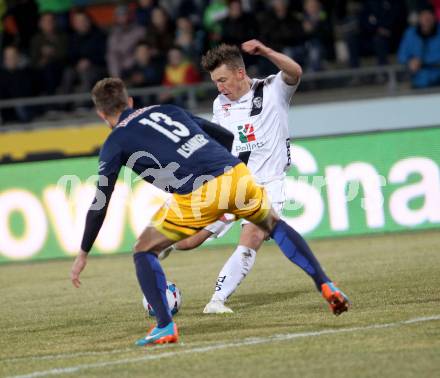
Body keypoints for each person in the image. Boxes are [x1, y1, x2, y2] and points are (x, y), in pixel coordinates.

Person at [70, 78, 350, 346]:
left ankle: (165, 326)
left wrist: (84, 251)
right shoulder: (167, 110)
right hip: (235, 172)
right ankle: (326, 284)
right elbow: (225, 136)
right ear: (129, 100)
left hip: (197, 191)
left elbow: (100, 202)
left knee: (144, 249)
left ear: (101, 114)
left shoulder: (115, 142)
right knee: (273, 225)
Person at [165, 39, 324, 315]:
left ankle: (217, 300)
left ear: (240, 72)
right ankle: (166, 245)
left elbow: (295, 72)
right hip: (230, 184)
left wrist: (265, 51)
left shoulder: (273, 89)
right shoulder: (220, 104)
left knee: (253, 236)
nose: (220, 87)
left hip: (267, 185)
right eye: (215, 82)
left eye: (223, 79)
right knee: (187, 242)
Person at [398, 4, 440, 88]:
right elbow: (401, 56)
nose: (426, 18)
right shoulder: (410, 33)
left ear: (434, 17)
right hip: (418, 82)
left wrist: (423, 62)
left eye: (429, 15)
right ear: (419, 17)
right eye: (423, 15)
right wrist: (410, 61)